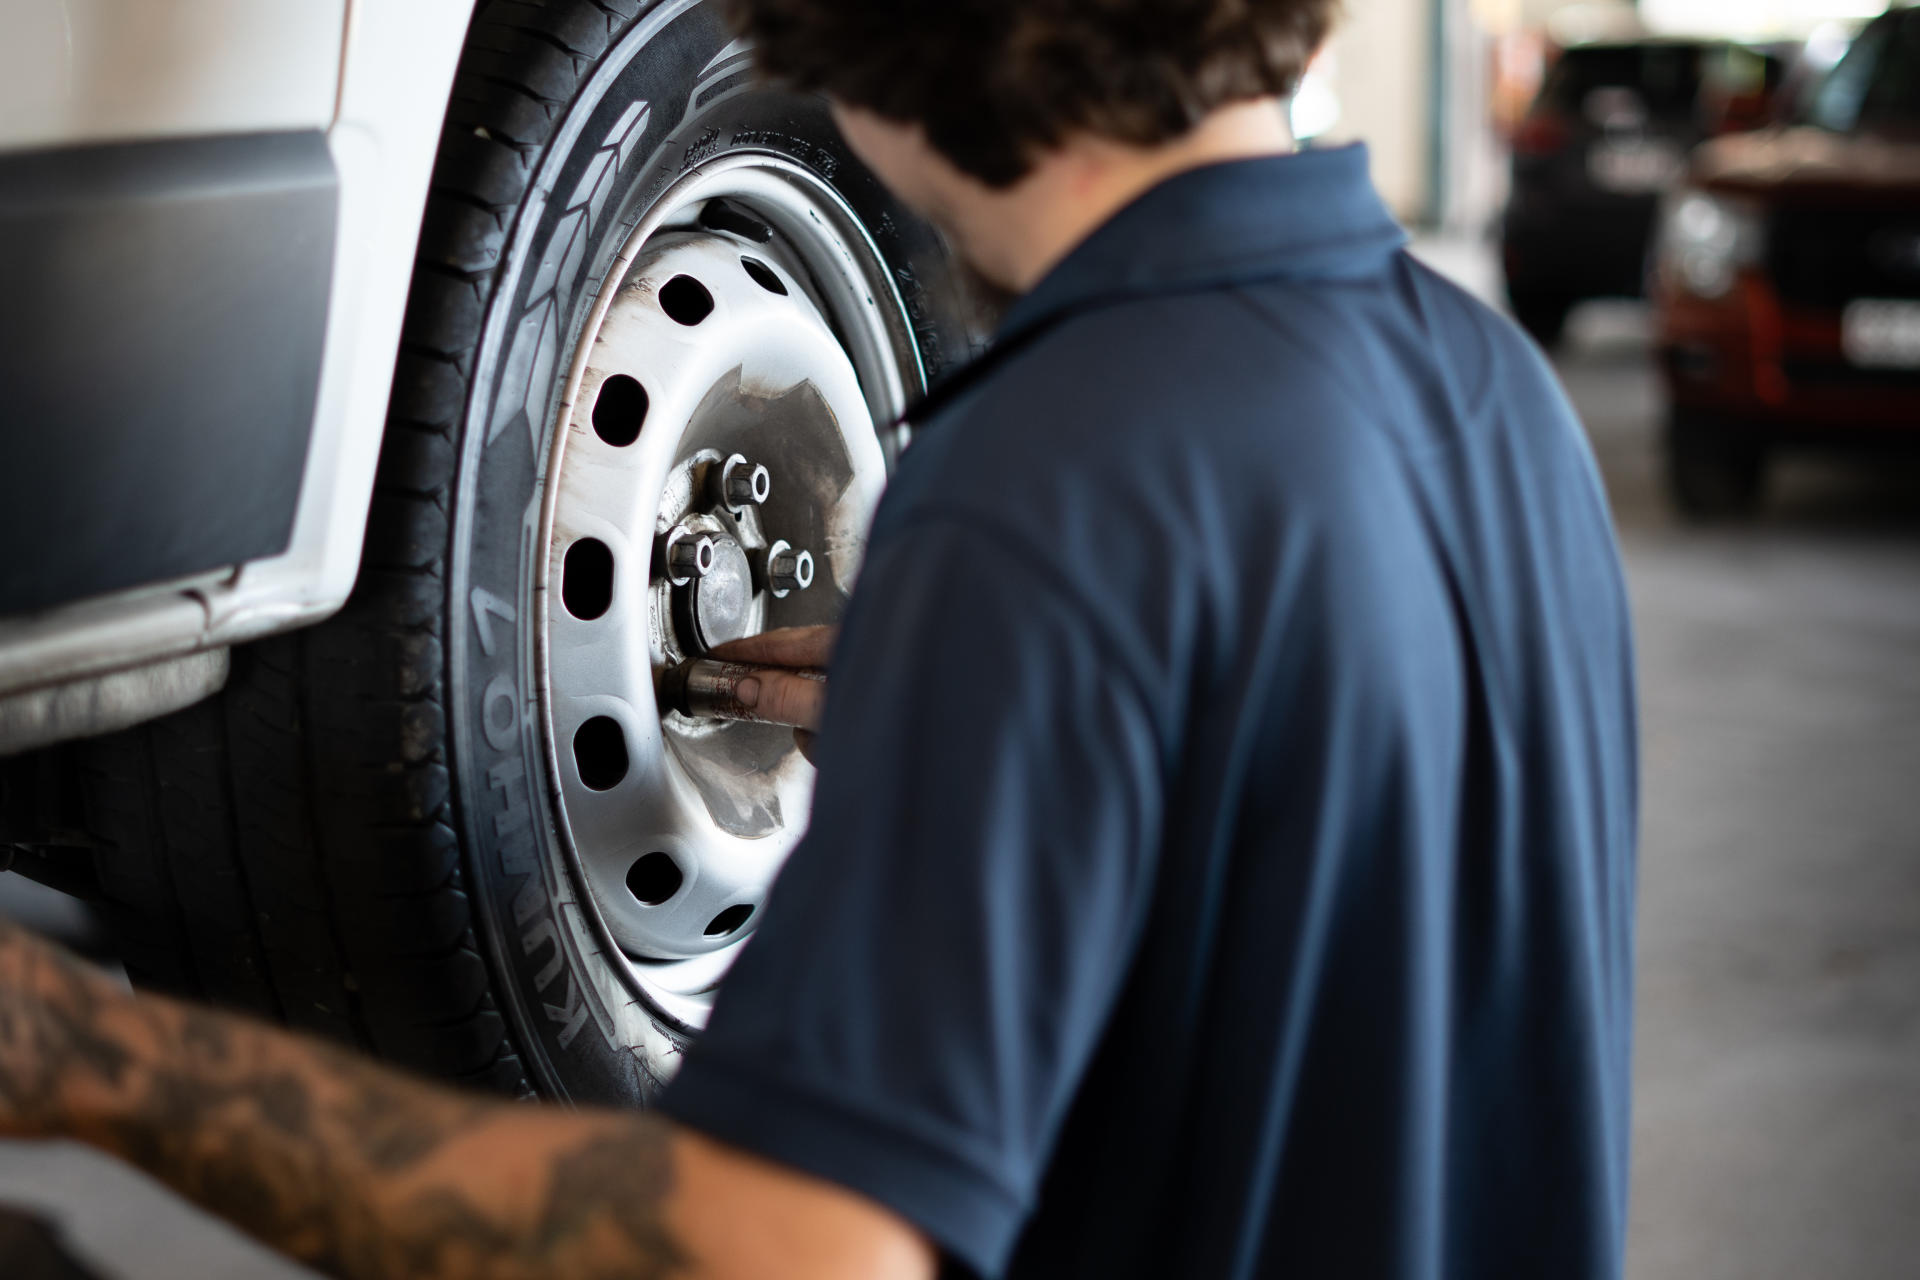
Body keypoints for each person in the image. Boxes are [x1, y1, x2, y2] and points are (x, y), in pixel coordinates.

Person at [0, 1, 1639, 1277]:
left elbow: (775, 1249)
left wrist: (104, 1063)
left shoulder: (1054, 484)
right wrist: (1038, 725)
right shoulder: (1494, 403)